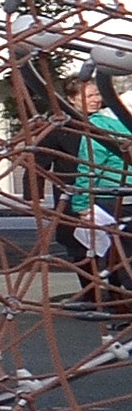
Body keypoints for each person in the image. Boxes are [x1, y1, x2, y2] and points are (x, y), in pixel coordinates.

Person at [41, 67, 132, 312]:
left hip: (102, 193)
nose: (95, 99)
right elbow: (40, 159)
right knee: (81, 246)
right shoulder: (60, 123)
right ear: (72, 99)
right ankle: (93, 294)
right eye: (89, 95)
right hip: (74, 192)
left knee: (114, 250)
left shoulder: (107, 123)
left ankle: (116, 299)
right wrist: (35, 195)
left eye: (96, 95)